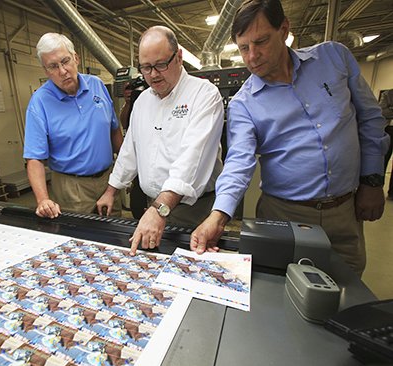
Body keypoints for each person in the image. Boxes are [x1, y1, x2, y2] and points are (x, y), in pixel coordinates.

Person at [190, 0, 388, 277]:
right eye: (243, 48)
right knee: (279, 291)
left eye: (261, 42)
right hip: (284, 216)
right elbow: (239, 163)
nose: (252, 56)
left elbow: (370, 119)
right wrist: (218, 216)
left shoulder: (333, 58)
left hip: (345, 210)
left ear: (284, 30)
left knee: (348, 286)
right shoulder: (243, 104)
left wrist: (372, 180)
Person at [96, 26, 224, 254]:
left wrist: (159, 210)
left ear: (179, 57)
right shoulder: (143, 101)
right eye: (146, 67)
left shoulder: (204, 95)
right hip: (154, 204)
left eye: (161, 64)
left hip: (193, 209)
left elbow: (192, 159)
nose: (153, 74)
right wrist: (111, 190)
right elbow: (130, 151)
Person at [23, 33, 123, 218]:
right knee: (79, 238)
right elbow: (34, 158)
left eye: (65, 61)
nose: (62, 71)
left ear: (76, 58)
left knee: (115, 231)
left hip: (108, 180)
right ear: (45, 71)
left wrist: (127, 168)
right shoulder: (40, 102)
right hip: (71, 187)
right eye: (53, 66)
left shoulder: (97, 85)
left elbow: (114, 129)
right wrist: (43, 200)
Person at [379, 89, 393, 199]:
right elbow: (382, 111)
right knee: (383, 160)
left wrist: (391, 108)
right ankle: (378, 187)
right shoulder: (388, 94)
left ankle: (392, 193)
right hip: (390, 130)